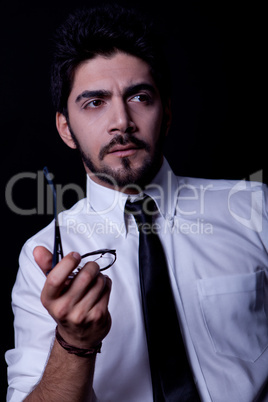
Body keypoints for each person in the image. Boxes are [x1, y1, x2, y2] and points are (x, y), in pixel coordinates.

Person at [5, 4, 268, 402]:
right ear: (66, 128)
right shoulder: (43, 260)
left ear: (165, 115)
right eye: (94, 103)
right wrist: (73, 343)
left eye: (140, 97)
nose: (121, 121)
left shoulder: (254, 210)